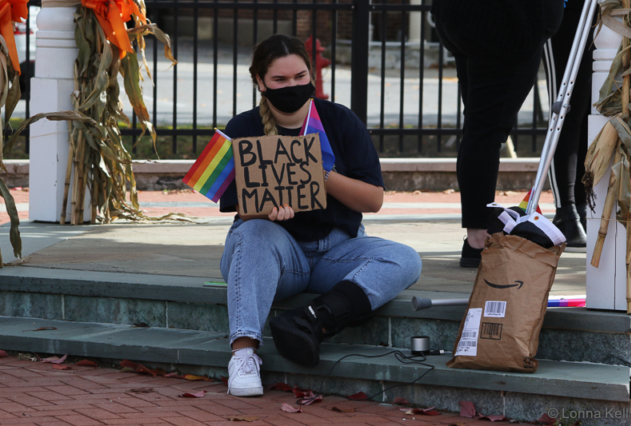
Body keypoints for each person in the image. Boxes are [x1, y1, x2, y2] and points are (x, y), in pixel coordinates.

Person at [218, 34, 423, 397]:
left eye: (299, 77)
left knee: (404, 258)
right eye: (279, 80)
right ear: (260, 82)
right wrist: (268, 208)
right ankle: (244, 353)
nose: (292, 86)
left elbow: (373, 200)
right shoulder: (242, 129)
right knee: (253, 234)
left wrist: (318, 174)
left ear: (311, 75)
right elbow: (236, 205)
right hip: (274, 257)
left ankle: (313, 319)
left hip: (335, 253)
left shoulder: (339, 120)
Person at [431, 0, 565, 267]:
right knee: (485, 130)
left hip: (465, 16)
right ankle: (479, 238)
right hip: (507, 21)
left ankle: (477, 235)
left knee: (478, 126)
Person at [543, 0, 592, 250]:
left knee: (591, 112)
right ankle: (566, 210)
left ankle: (583, 205)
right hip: (565, 10)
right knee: (565, 110)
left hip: (603, 12)